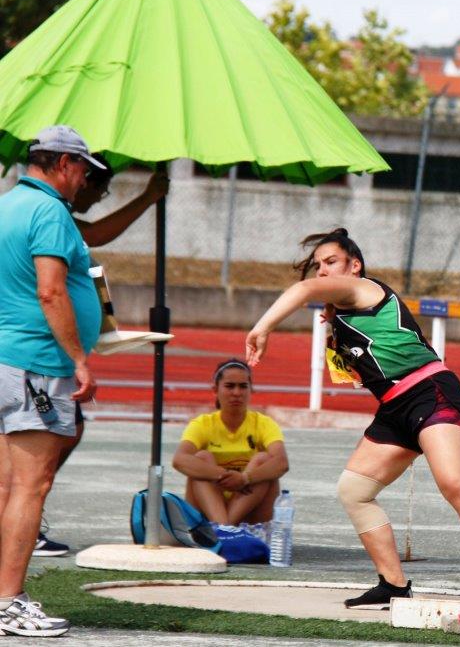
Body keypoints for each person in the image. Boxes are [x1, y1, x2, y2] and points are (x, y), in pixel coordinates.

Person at [245, 228, 460, 606]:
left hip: (430, 392)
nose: (322, 272)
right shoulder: (343, 309)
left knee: (453, 482)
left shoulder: (362, 288)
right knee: (354, 490)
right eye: (317, 266)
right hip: (395, 407)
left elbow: (303, 291)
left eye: (331, 263)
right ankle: (393, 584)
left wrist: (262, 327)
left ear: (354, 266)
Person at [34, 155, 169, 557]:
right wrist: (148, 197)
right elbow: (95, 235)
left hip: (44, 350)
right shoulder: (52, 213)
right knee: (51, 437)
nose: (95, 197)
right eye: (98, 189)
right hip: (36, 353)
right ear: (78, 174)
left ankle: (22, 510)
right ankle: (19, 516)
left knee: (63, 430)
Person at [0, 125, 105, 637]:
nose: (85, 180)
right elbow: (50, 291)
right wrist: (79, 358)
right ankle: (8, 600)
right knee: (31, 486)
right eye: (83, 169)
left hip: (7, 359)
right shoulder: (49, 211)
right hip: (37, 364)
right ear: (63, 163)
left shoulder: (6, 204)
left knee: (5, 485)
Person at [171, 360, 289, 527]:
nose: (236, 392)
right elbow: (179, 460)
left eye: (243, 386)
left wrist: (244, 478)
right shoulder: (203, 424)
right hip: (209, 509)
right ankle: (224, 527)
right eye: (229, 386)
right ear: (215, 390)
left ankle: (224, 529)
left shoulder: (264, 424)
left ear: (251, 390)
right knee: (201, 457)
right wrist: (222, 475)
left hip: (250, 510)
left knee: (264, 460)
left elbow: (281, 463)